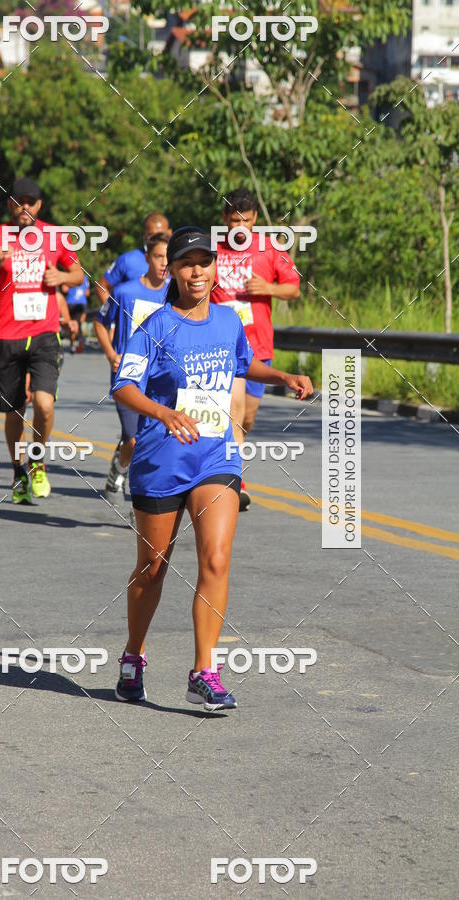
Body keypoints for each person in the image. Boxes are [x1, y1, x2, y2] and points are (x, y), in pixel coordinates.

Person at [111, 227, 312, 710]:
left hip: (215, 457)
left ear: (215, 267)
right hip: (161, 460)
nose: (197, 271)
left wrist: (282, 375)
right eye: (187, 263)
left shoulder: (227, 319)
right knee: (152, 568)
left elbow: (244, 363)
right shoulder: (156, 326)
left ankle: (204, 671)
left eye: (205, 262)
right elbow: (124, 385)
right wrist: (162, 413)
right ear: (173, 272)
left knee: (216, 559)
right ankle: (133, 656)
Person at [0, 177, 81, 504]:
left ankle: (36, 460)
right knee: (14, 411)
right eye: (19, 201)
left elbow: (78, 274)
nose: (25, 207)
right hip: (7, 334)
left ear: (39, 205)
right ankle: (18, 470)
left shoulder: (56, 236)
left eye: (31, 202)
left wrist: (62, 276)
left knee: (45, 405)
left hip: (44, 333)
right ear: (11, 204)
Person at [212, 187, 301, 511]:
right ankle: (234, 480)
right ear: (225, 218)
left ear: (255, 220)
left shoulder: (270, 249)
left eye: (246, 221)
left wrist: (269, 288)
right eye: (234, 220)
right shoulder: (211, 250)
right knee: (232, 414)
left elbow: (294, 289)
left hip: (259, 346)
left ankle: (227, 462)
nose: (240, 227)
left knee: (246, 418)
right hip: (223, 348)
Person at [94, 232, 169, 515]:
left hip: (158, 379)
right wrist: (111, 354)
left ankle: (141, 505)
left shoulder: (174, 294)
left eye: (168, 258)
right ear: (147, 258)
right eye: (158, 257)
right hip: (127, 377)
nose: (164, 263)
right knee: (134, 439)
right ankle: (119, 469)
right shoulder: (125, 292)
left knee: (152, 441)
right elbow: (100, 322)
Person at [95, 212, 170, 304]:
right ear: (144, 235)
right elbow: (101, 287)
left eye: (160, 235)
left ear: (169, 233)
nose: (156, 239)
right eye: (151, 235)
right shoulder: (127, 260)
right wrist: (114, 311)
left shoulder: (178, 261)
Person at [64, 275, 89, 354]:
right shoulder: (85, 278)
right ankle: (80, 341)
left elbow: (64, 289)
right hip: (81, 303)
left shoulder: (68, 275)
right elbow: (87, 293)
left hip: (71, 303)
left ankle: (73, 344)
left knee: (72, 324)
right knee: (78, 323)